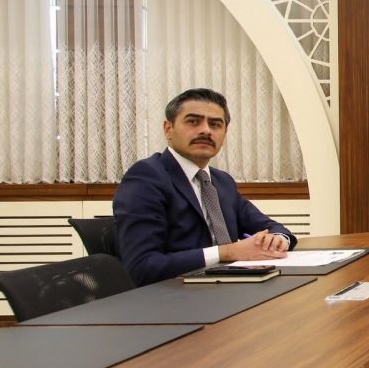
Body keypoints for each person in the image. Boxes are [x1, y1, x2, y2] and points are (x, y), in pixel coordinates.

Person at [113, 88, 297, 286]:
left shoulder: (222, 181)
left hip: (229, 287)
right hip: (177, 294)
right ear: (168, 129)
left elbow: (272, 227)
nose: (206, 130)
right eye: (193, 122)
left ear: (224, 134)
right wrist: (227, 252)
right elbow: (143, 267)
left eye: (215, 124)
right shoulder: (146, 177)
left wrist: (278, 239)